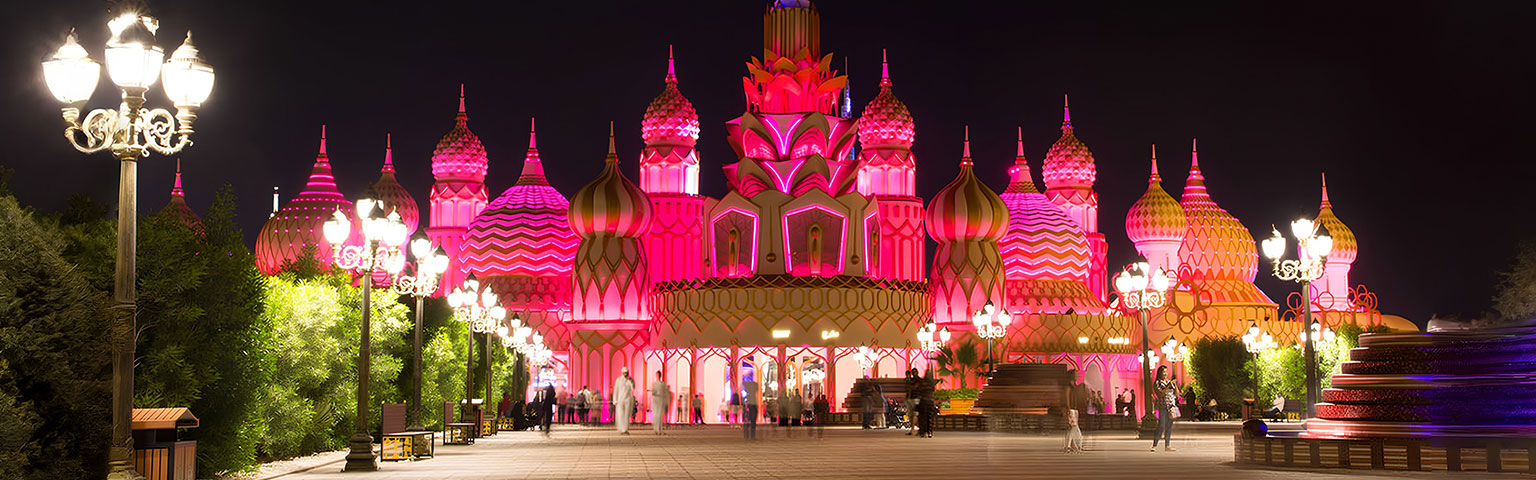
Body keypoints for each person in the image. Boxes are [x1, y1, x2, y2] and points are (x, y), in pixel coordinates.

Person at [1151, 365, 1178, 451]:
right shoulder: (1157, 383)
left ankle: (1167, 445)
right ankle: (1155, 444)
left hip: (1171, 406)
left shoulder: (1169, 381)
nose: (1165, 374)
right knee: (1161, 425)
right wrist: (1167, 386)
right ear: (1160, 373)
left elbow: (1177, 394)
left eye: (1166, 372)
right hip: (1163, 406)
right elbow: (1160, 394)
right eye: (1164, 372)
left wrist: (1175, 385)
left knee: (1169, 425)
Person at [904, 369, 920, 435]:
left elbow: (914, 387)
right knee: (910, 415)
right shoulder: (910, 380)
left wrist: (910, 386)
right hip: (909, 398)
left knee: (915, 414)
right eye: (913, 372)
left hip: (916, 398)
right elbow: (907, 387)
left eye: (915, 372)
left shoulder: (919, 380)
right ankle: (912, 429)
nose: (914, 373)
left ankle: (915, 428)